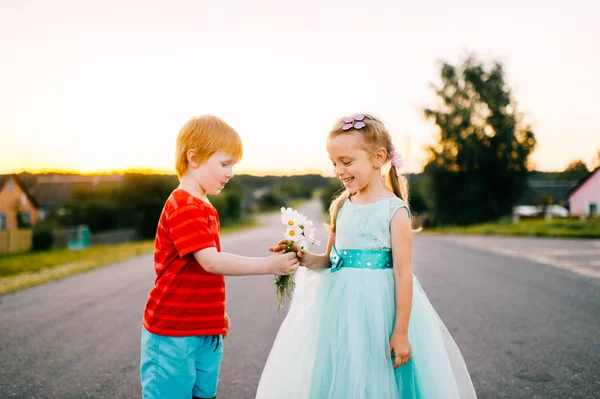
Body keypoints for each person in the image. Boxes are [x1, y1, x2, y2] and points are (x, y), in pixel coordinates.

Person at [257, 113, 477, 398]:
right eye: (334, 163)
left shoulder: (394, 210)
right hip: (340, 307)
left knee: (376, 374)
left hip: (379, 309)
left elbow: (402, 274)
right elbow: (329, 259)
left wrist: (400, 332)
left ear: (378, 157)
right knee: (344, 370)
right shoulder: (341, 205)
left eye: (346, 162)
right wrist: (303, 256)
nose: (338, 170)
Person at [140, 115, 299, 399]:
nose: (231, 172)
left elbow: (200, 274)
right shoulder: (184, 205)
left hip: (203, 328)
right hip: (174, 330)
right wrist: (268, 265)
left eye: (233, 165)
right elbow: (210, 261)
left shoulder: (204, 205)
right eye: (225, 164)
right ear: (195, 158)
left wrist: (213, 312)